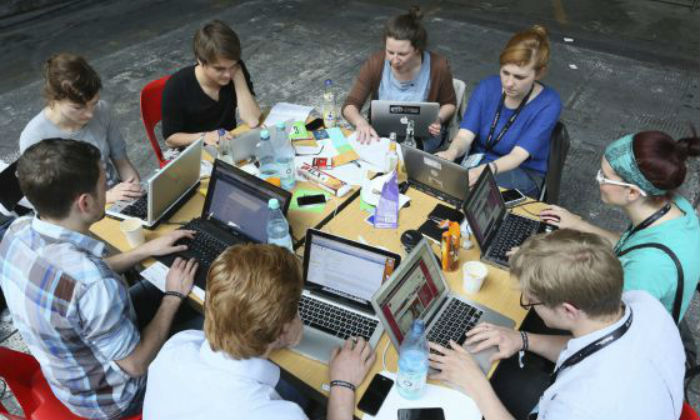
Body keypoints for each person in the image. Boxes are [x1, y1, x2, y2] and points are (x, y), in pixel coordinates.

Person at [0, 139, 199, 420]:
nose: (108, 191)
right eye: (104, 185)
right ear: (85, 202)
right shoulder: (94, 285)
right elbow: (137, 364)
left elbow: (77, 279)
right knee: (216, 321)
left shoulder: (17, 232)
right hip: (119, 398)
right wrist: (172, 297)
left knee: (167, 287)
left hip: (72, 376)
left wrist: (146, 250)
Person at [429, 229, 685, 419]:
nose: (528, 303)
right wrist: (523, 339)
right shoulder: (645, 305)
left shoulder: (584, 404)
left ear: (568, 310)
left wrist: (475, 383)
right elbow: (587, 345)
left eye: (531, 300)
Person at [143, 244, 376, 420]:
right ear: (283, 330)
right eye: (296, 309)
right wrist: (342, 385)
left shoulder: (177, 347)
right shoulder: (277, 415)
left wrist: (273, 332)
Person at [540, 131, 700, 321]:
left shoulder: (648, 267)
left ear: (632, 192)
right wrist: (578, 224)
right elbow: (632, 244)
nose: (597, 179)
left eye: (604, 176)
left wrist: (535, 271)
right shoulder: (676, 206)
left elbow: (602, 330)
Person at [436, 25, 562, 198]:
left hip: (521, 171)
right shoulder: (488, 87)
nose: (509, 83)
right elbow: (465, 136)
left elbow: (518, 156)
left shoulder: (549, 103)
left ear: (539, 73)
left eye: (519, 77)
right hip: (478, 160)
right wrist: (451, 153)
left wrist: (485, 170)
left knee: (471, 192)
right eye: (505, 72)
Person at [19, 52, 143, 204]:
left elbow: (121, 161)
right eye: (78, 108)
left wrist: (135, 188)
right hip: (76, 213)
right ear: (54, 99)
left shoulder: (102, 110)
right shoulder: (35, 136)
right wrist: (106, 198)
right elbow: (47, 202)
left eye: (94, 103)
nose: (90, 114)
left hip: (116, 195)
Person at [342, 6, 457, 152]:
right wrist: (360, 122)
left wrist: (438, 118)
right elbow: (350, 105)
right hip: (382, 136)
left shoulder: (438, 66)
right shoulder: (376, 63)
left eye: (402, 54)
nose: (394, 60)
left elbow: (450, 103)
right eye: (390, 52)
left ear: (417, 49)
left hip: (423, 139)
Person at [162, 19, 261, 148]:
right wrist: (204, 136)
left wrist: (238, 76)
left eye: (232, 66)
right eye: (219, 69)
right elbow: (170, 139)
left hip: (227, 144)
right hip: (193, 150)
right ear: (200, 61)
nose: (227, 74)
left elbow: (252, 120)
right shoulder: (177, 85)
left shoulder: (236, 71)